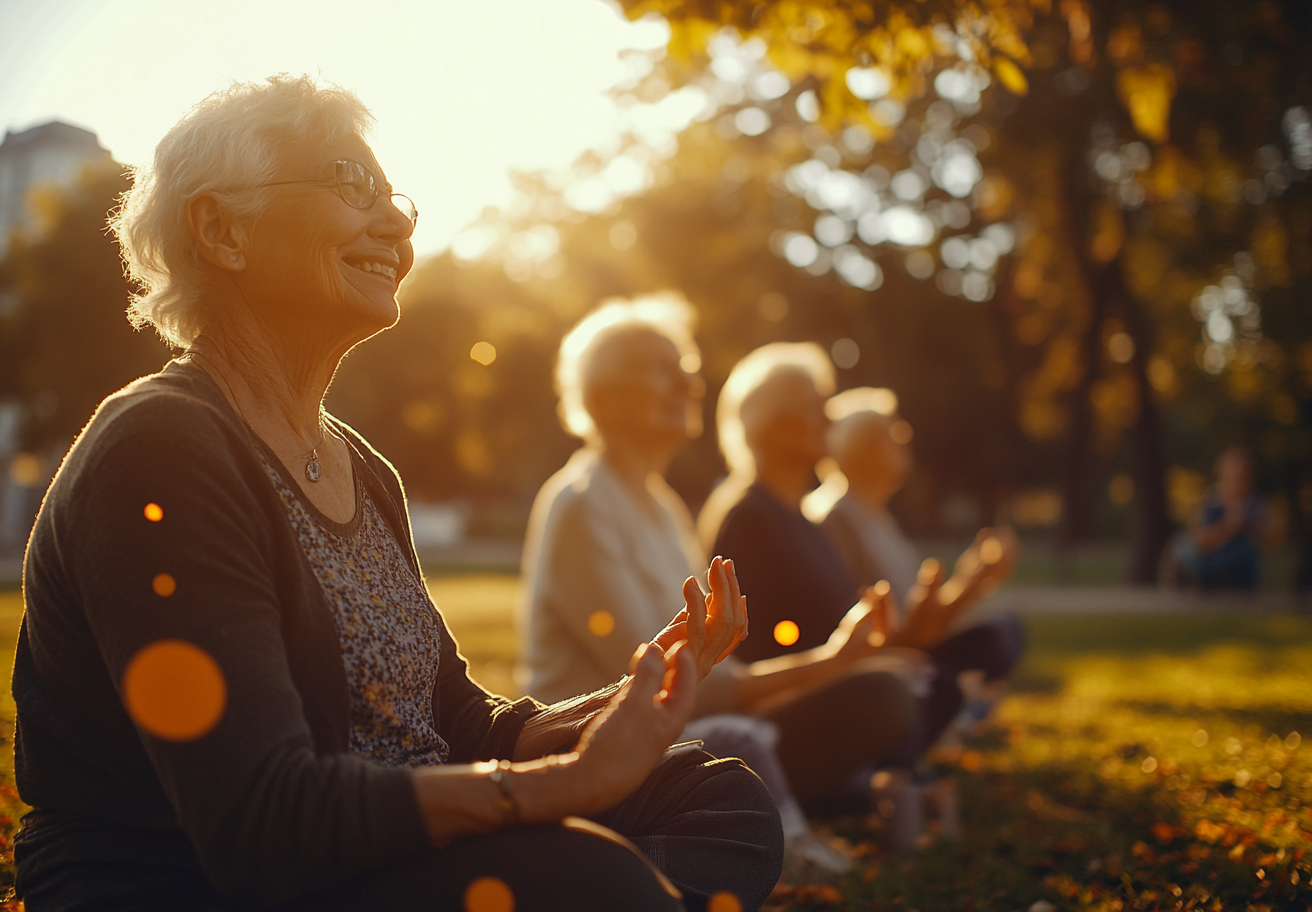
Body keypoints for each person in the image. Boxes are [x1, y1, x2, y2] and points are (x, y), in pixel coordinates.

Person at [12, 75, 782, 912]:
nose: (396, 225)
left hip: (390, 851)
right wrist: (555, 791)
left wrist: (621, 702)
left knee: (721, 801)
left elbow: (452, 718)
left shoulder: (360, 465)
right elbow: (262, 821)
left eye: (397, 201)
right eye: (353, 187)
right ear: (222, 228)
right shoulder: (160, 449)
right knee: (590, 877)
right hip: (202, 880)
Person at [519, 297, 916, 869]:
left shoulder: (665, 508)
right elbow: (656, 680)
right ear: (602, 399)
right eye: (661, 368)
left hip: (681, 724)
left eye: (684, 364)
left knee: (880, 691)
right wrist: (829, 663)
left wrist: (834, 662)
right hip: (605, 745)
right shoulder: (582, 504)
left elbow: (705, 669)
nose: (688, 381)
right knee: (870, 699)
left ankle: (788, 802)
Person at [699, 346, 1023, 779]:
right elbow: (746, 656)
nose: (830, 420)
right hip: (785, 705)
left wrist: (894, 644)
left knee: (928, 683)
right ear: (769, 426)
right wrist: (854, 666)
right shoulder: (747, 516)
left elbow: (842, 632)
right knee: (896, 694)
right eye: (814, 408)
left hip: (830, 682)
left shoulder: (800, 519)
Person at [810, 387, 1025, 714]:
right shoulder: (834, 517)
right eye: (891, 431)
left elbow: (922, 622)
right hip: (882, 663)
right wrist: (970, 584)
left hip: (906, 651)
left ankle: (960, 705)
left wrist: (974, 580)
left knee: (1007, 628)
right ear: (858, 447)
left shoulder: (876, 516)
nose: (905, 435)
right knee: (996, 637)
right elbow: (901, 632)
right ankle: (959, 706)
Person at [1171, 447, 1269, 590]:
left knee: (1245, 548)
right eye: (1235, 472)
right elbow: (1199, 541)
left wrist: (1249, 526)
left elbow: (1269, 539)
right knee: (1180, 546)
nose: (1239, 476)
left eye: (1243, 472)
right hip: (1210, 562)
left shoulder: (1254, 502)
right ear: (1222, 473)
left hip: (1241, 567)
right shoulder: (1212, 501)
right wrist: (1229, 527)